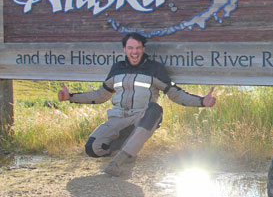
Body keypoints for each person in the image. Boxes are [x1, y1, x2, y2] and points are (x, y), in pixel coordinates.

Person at [58, 33, 216, 176]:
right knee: (92, 148)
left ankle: (119, 161)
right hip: (118, 118)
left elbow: (174, 93)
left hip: (142, 117)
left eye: (138, 48)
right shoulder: (117, 68)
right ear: (125, 49)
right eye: (130, 48)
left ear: (143, 49)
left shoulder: (154, 68)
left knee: (155, 109)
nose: (134, 52)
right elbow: (100, 95)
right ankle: (125, 144)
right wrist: (70, 97)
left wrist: (202, 101)